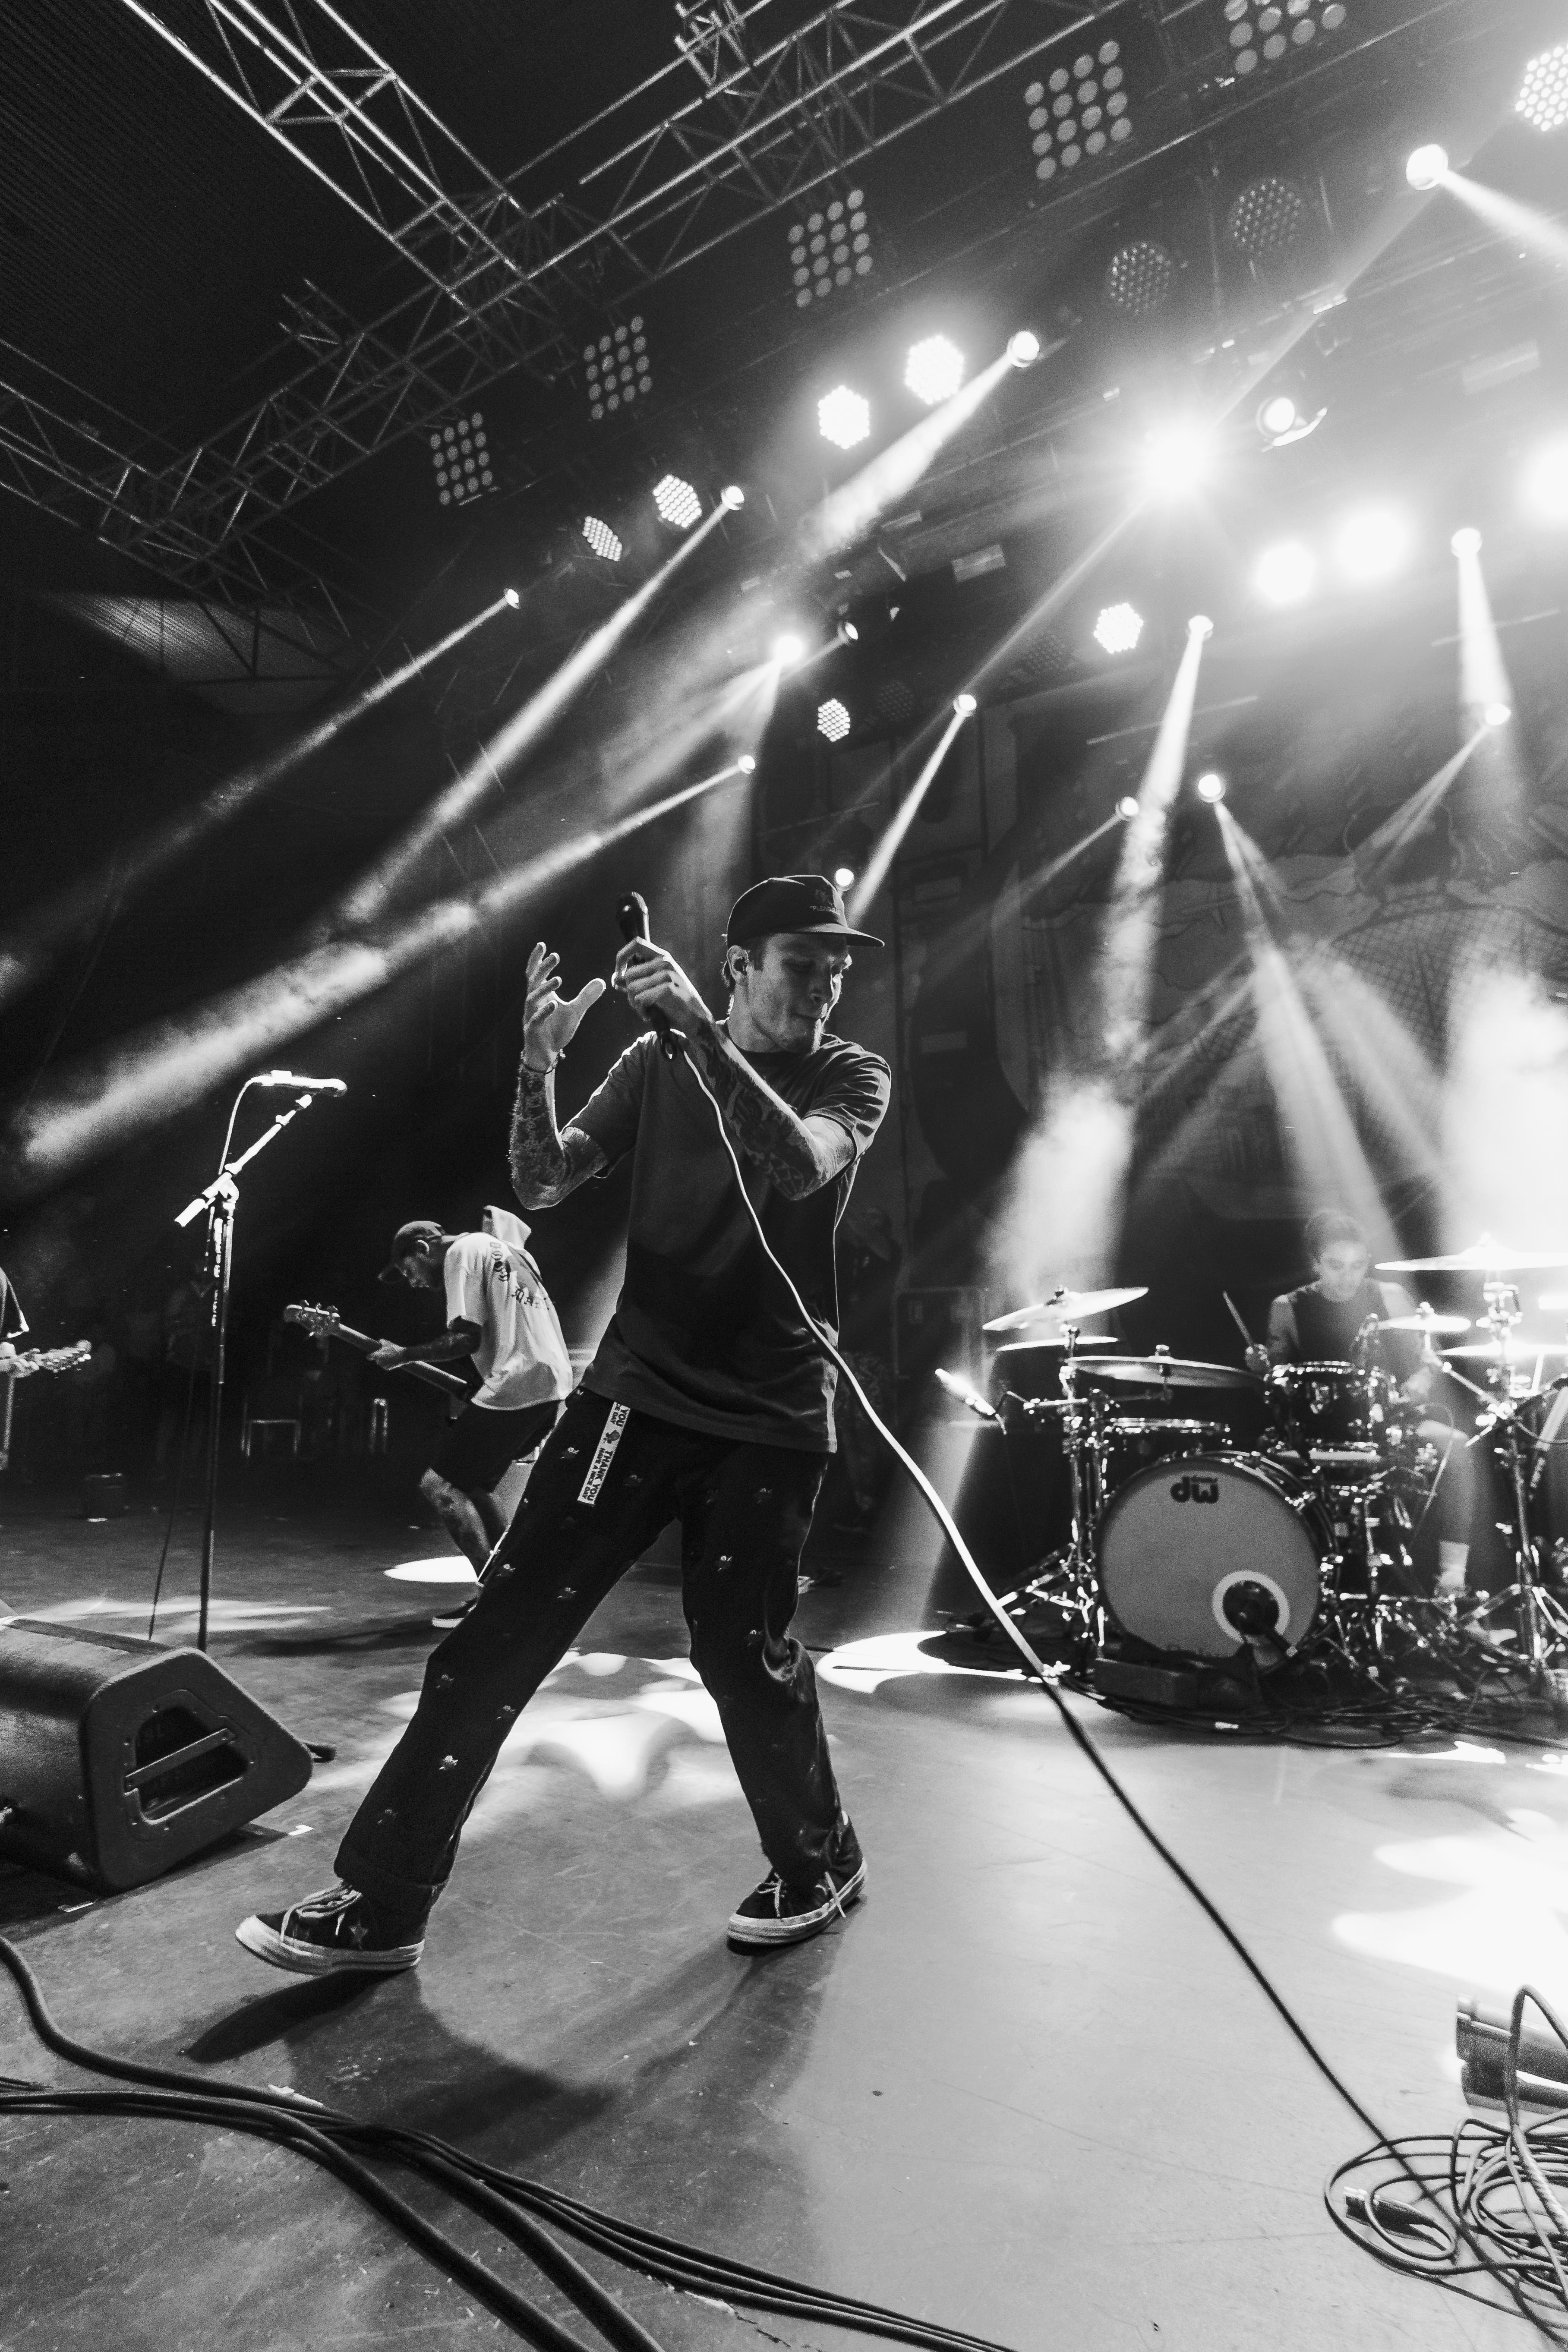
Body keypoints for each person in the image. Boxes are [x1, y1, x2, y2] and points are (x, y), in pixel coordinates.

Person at [237, 875, 890, 1976]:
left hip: (771, 1413)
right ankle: (383, 1901)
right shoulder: (651, 1063)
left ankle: (821, 1862)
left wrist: (696, 1032)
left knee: (742, 1656)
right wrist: (536, 1066)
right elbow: (542, 1184)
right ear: (738, 965)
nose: (824, 985)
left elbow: (798, 1167)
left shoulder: (849, 1073)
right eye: (801, 962)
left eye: (836, 968)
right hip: (635, 1393)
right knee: (497, 1634)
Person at [372, 1206, 572, 1624]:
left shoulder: (462, 1254)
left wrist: (404, 1355)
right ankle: (512, 1589)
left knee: (440, 1486)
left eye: (408, 1270)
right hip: (552, 1382)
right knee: (475, 1485)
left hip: (519, 1381)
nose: (412, 1281)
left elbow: (465, 1338)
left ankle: (492, 1596)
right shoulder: (509, 1251)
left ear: (424, 1248)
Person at [1245, 1208, 1432, 1392]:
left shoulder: (1392, 1297)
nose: (1348, 1277)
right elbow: (1278, 1379)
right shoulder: (1287, 1308)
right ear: (1316, 1264)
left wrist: (1423, 1379)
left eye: (1357, 1266)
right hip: (1321, 1411)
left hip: (1391, 1408)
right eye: (1336, 1266)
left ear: (1367, 1261)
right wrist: (1261, 1367)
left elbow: (1428, 1360)